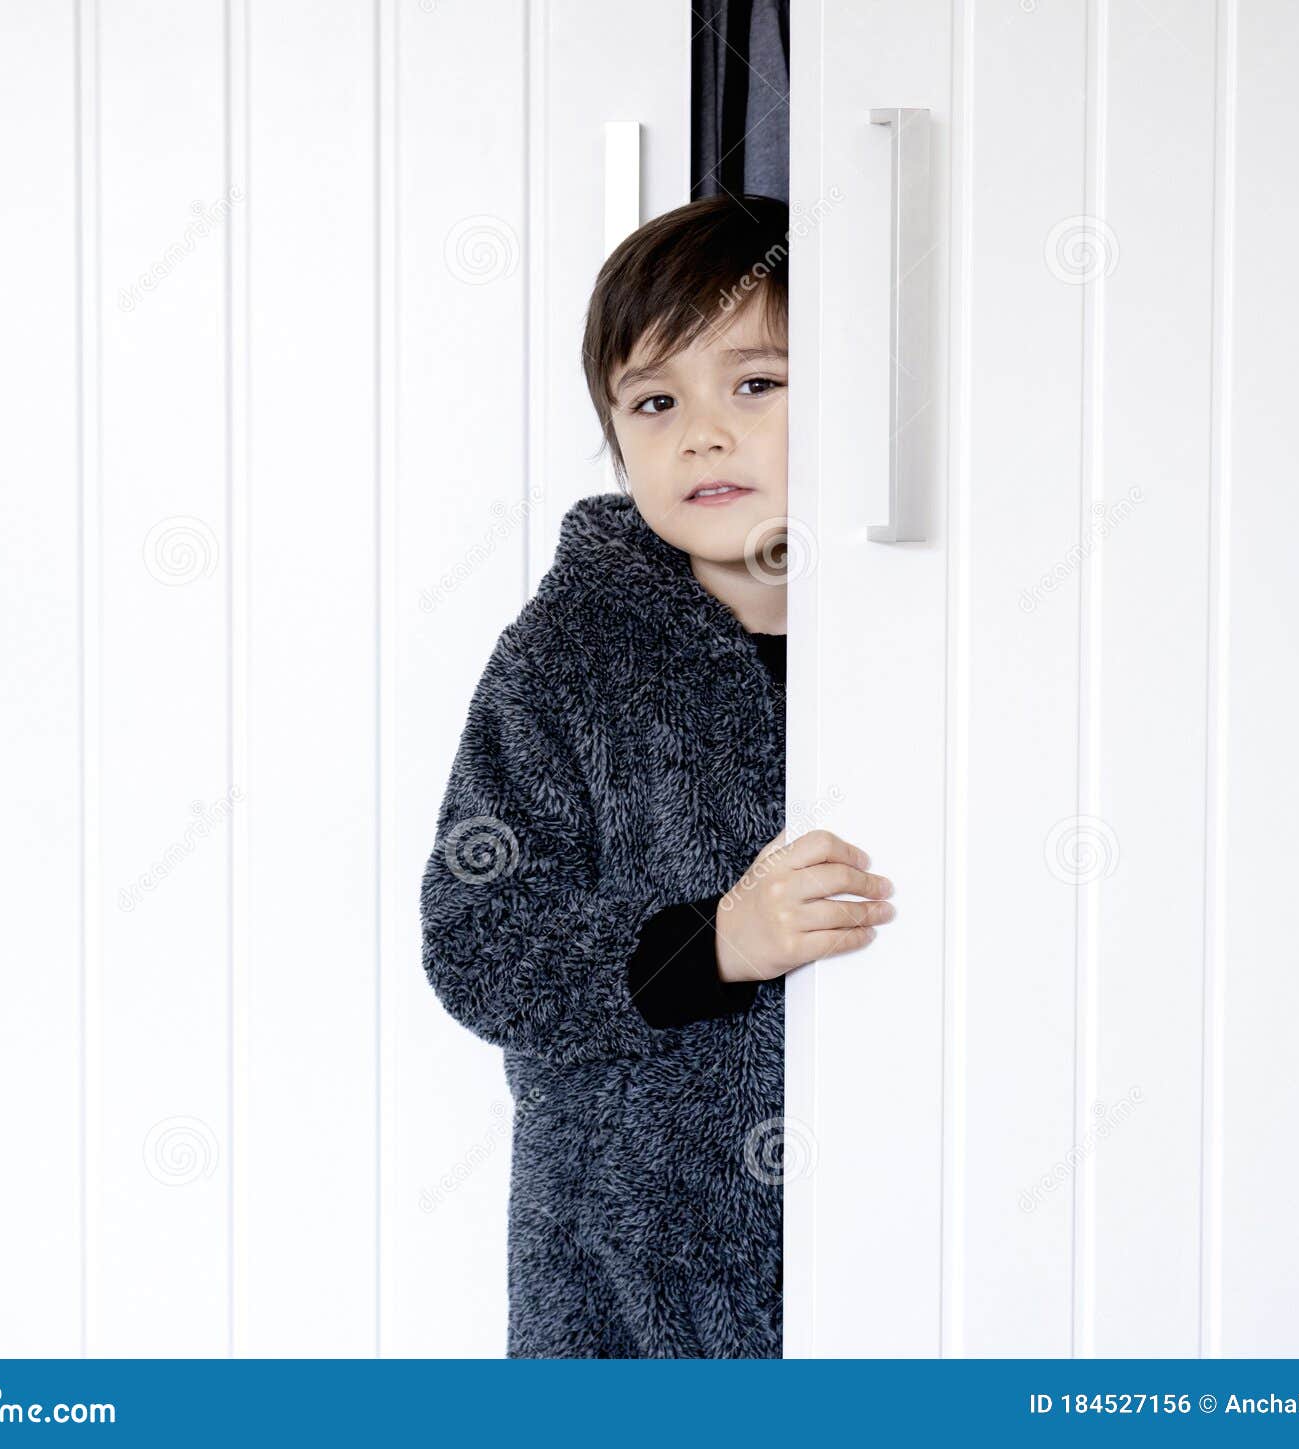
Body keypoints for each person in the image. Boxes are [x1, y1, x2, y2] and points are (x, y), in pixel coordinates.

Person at [419, 193, 894, 1357]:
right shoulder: (570, 653)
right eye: (653, 400)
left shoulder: (916, 637)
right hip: (631, 1264)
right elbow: (478, 945)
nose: (701, 434)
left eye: (755, 384)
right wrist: (717, 943)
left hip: (894, 1225)